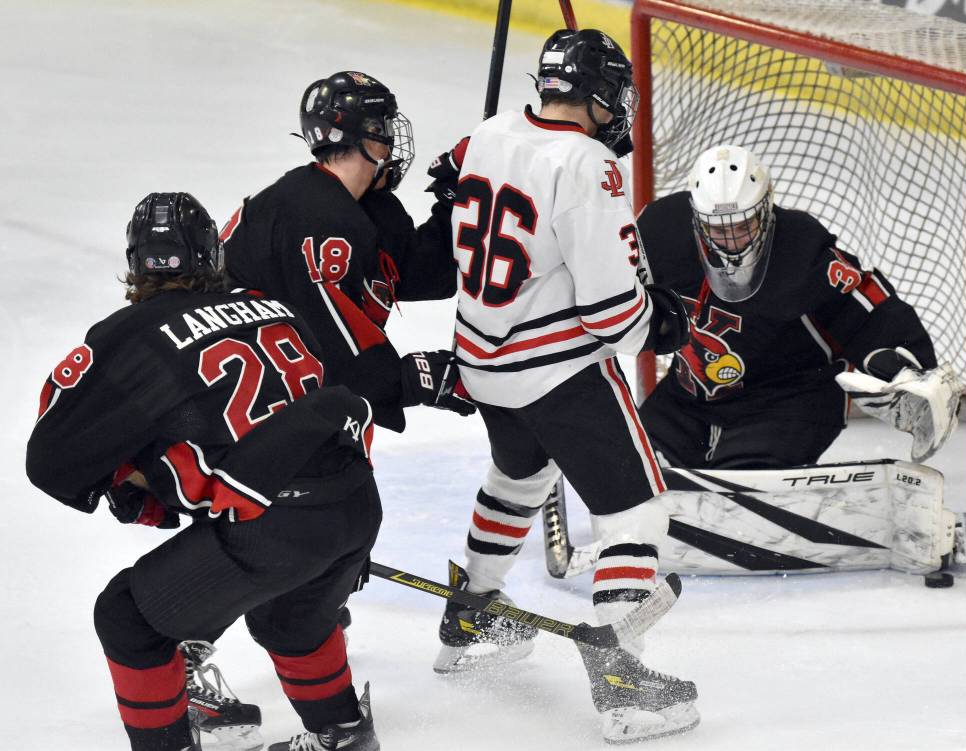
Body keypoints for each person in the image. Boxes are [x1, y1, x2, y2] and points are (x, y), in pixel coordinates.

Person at [27, 193, 382, 751]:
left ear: (137, 262)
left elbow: (52, 462)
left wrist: (132, 476)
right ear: (210, 258)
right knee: (288, 621)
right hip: (357, 504)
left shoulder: (131, 335)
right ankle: (344, 733)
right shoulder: (273, 306)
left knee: (127, 619)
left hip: (274, 525)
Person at [437, 29, 698, 745]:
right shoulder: (587, 164)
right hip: (556, 369)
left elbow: (464, 188)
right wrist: (661, 323)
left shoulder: (490, 133)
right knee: (637, 507)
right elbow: (613, 314)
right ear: (599, 95)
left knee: (517, 475)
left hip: (482, 363)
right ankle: (622, 676)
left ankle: (471, 613)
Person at [636, 143, 959, 473]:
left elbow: (867, 305)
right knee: (627, 459)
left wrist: (907, 366)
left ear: (765, 209)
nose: (731, 241)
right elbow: (611, 283)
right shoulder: (660, 233)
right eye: (719, 230)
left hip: (788, 400)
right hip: (692, 398)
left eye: (743, 226)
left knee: (746, 480)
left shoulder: (799, 250)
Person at [222, 71, 474, 435]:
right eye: (385, 127)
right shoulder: (312, 216)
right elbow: (329, 343)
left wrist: (453, 203)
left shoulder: (367, 207)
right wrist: (411, 378)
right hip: (255, 407)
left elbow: (423, 275)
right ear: (368, 134)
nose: (390, 144)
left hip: (299, 393)